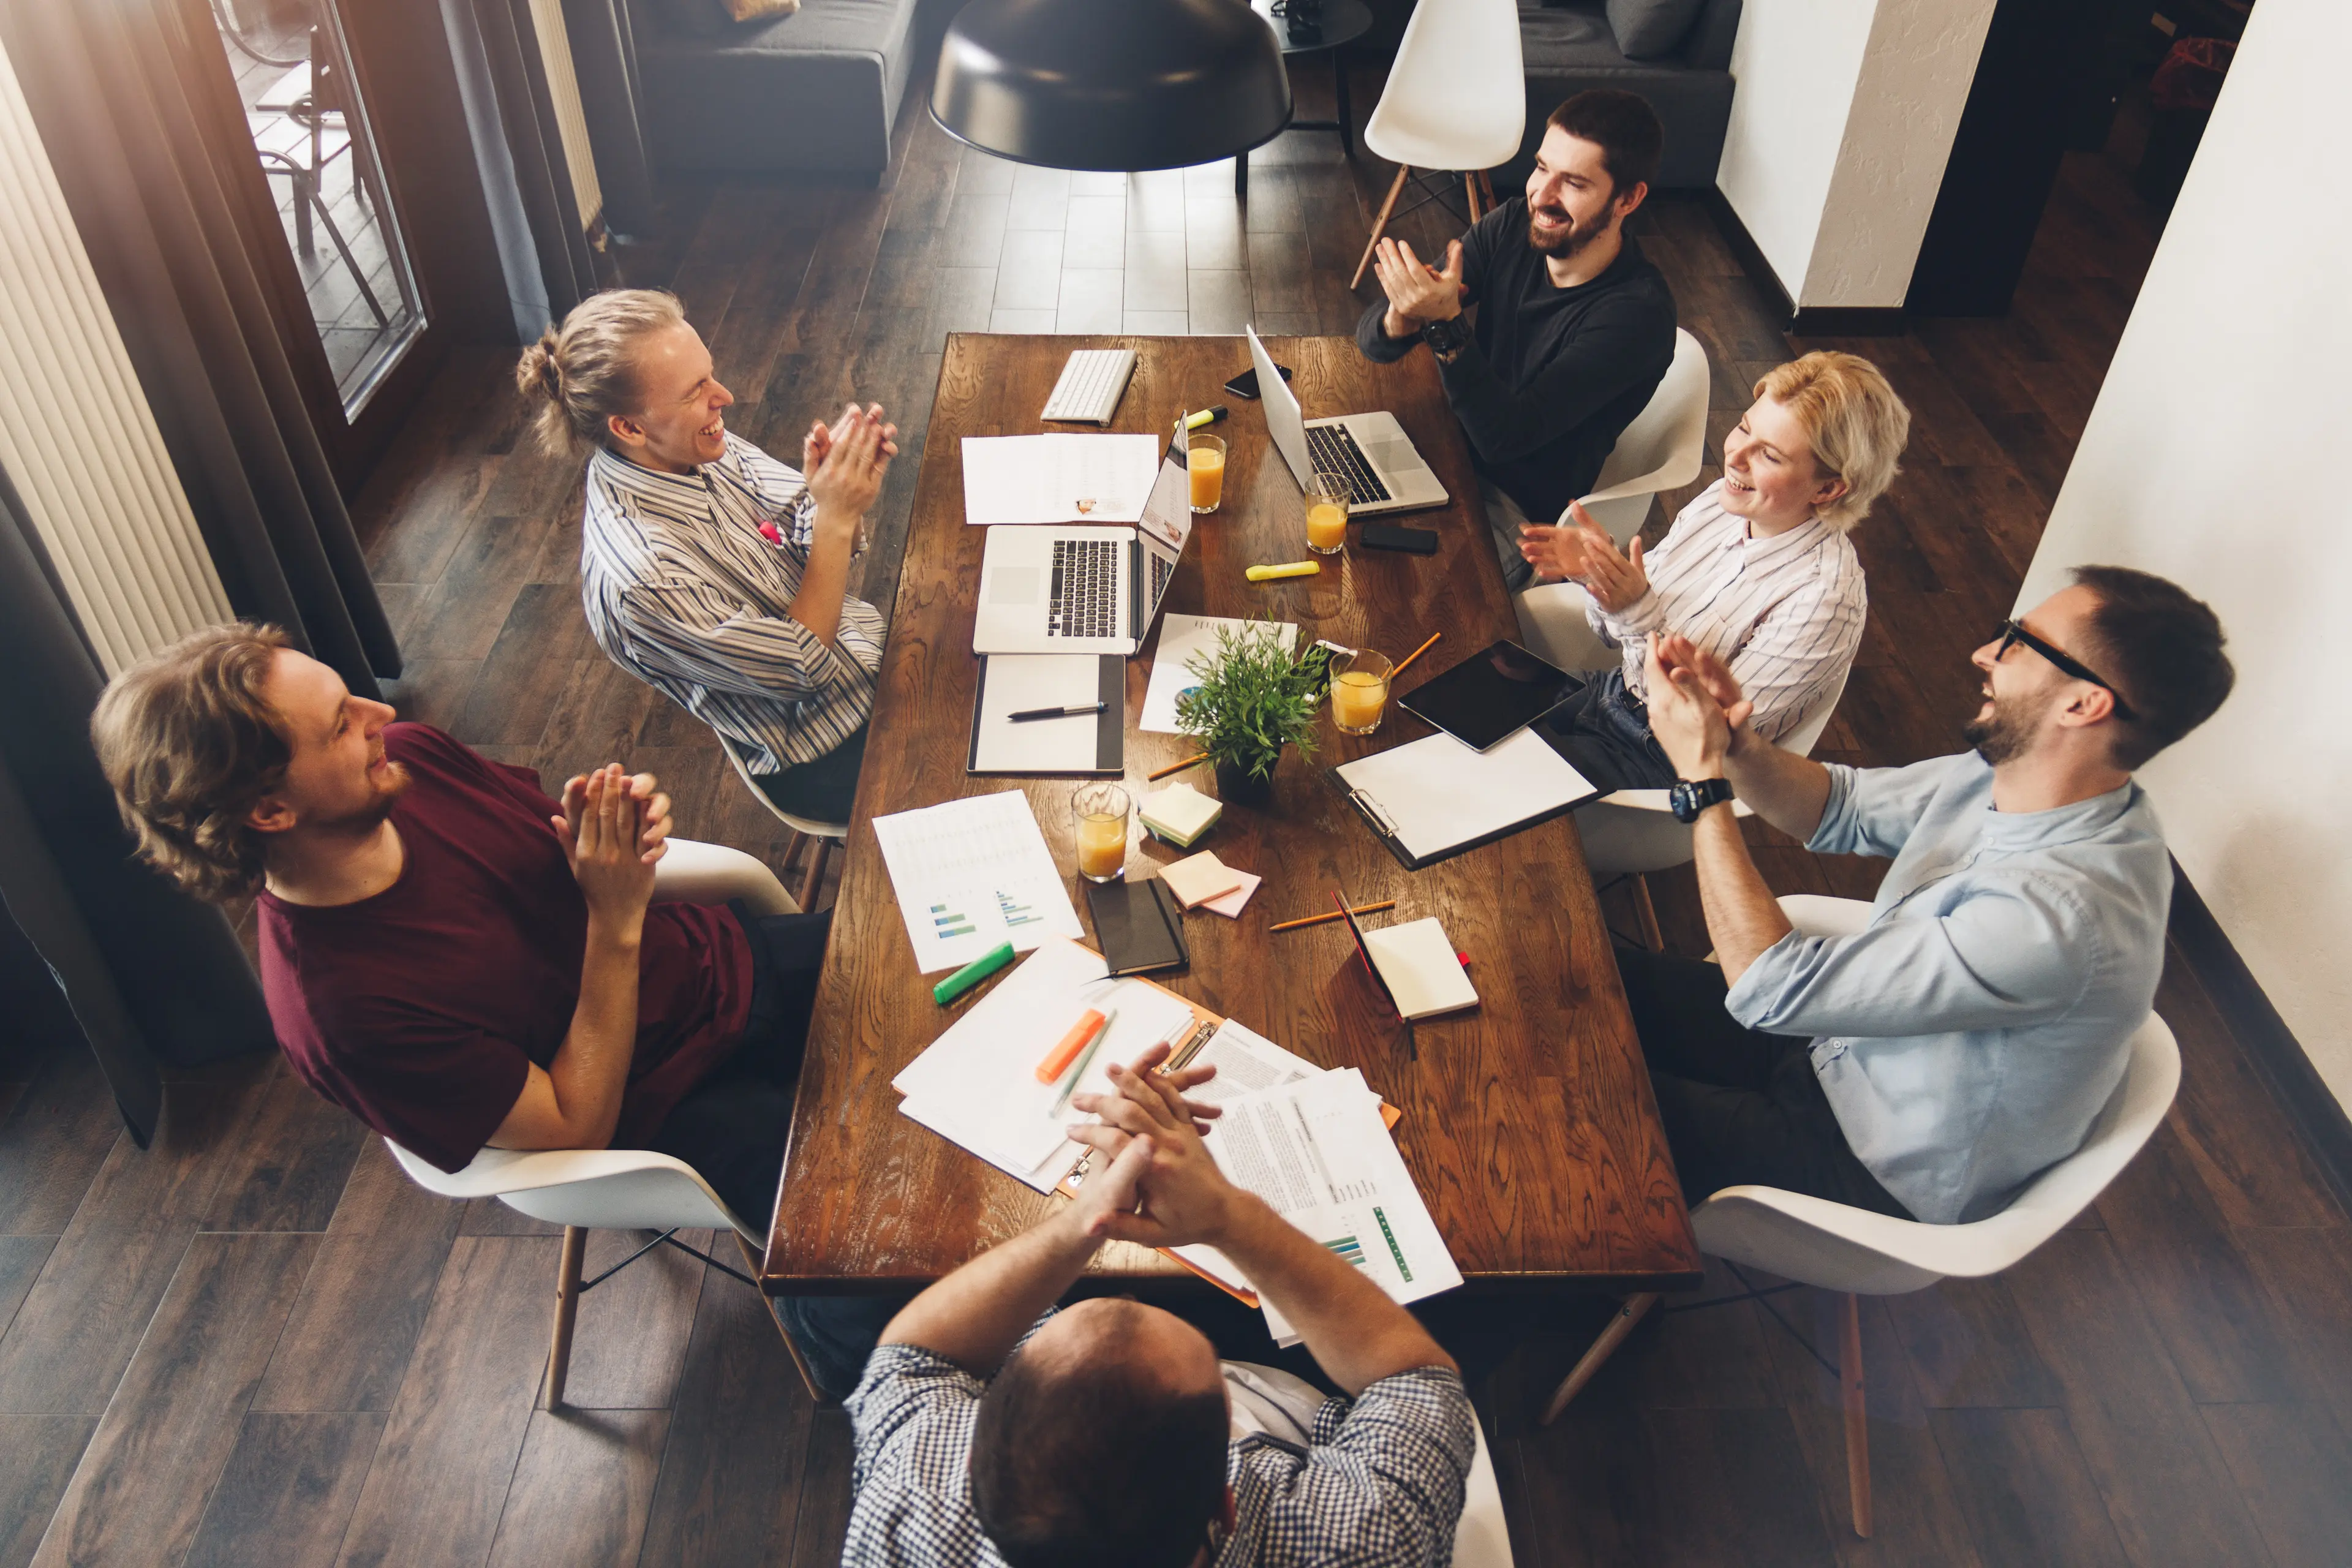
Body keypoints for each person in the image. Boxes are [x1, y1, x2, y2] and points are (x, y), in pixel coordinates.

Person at [89, 624, 888, 1392]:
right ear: (269, 812)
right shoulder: (342, 1012)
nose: (384, 718)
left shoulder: (410, 763)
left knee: (964, 948)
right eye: (341, 726)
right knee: (880, 1231)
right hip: (663, 1107)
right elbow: (575, 1123)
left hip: (713, 968)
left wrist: (613, 838)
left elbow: (557, 860)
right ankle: (860, 1367)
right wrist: (613, 921)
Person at [1624, 565, 2233, 1224]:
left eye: (2019, 642)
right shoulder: (2019, 772)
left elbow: (1771, 988)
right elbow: (1839, 807)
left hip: (1872, 1160)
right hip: (1832, 1045)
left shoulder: (2056, 920)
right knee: (1578, 976)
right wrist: (1737, 745)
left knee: (1575, 1089)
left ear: (2084, 704)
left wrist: (1702, 782)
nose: (1984, 652)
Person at [843, 1042, 1476, 1567]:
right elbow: (1417, 1381)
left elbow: (912, 1359)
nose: (1125, 1294)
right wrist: (1231, 1216)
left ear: (976, 1464)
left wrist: (1084, 1221)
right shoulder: (1365, 1540)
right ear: (1225, 1506)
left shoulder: (906, 1508)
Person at [516, 288, 897, 824]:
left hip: (875, 652)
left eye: (710, 373)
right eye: (696, 390)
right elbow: (802, 667)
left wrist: (831, 489)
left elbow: (804, 518)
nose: (725, 396)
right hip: (829, 748)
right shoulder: (639, 581)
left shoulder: (684, 443)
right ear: (628, 427)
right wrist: (833, 517)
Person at [1523, 352, 1912, 792]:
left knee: (1497, 778)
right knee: (1466, 718)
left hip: (1665, 763)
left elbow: (1707, 737)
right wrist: (1600, 575)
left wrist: (1633, 608)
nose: (1735, 458)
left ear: (1828, 489)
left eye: (1769, 455)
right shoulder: (1723, 502)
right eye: (1745, 428)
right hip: (1614, 694)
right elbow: (1613, 632)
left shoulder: (1824, 600)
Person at [1357, 89, 1678, 589]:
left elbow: (1505, 439)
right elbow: (1372, 343)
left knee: (1384, 587)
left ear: (1628, 199)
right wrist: (1404, 316)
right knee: (1322, 506)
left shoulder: (1637, 316)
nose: (1543, 196)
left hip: (1516, 514)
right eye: (1541, 168)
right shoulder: (1513, 225)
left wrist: (1443, 323)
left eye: (1574, 183)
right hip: (1445, 450)